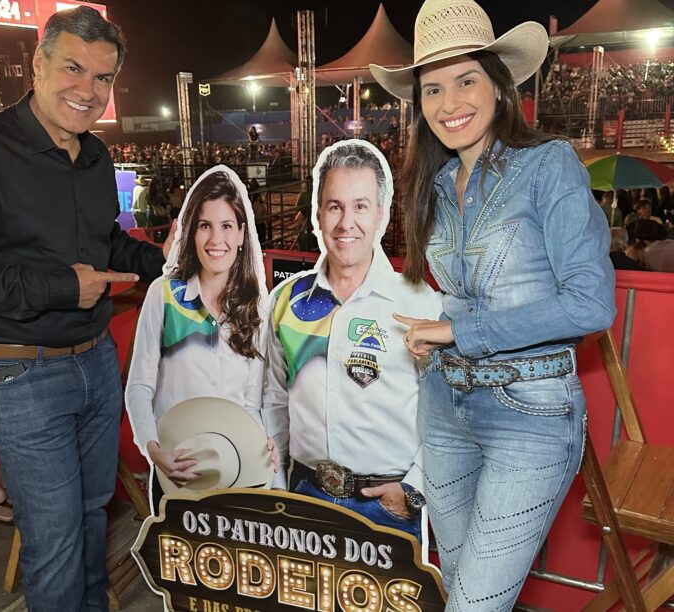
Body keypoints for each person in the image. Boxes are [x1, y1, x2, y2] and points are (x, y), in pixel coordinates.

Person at [0, 7, 170, 611]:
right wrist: (59, 288)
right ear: (38, 65)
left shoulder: (96, 156)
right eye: (73, 69)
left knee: (92, 514)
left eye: (103, 78)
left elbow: (106, 244)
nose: (88, 90)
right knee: (54, 538)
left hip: (95, 362)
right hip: (21, 373)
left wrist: (172, 259)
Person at [370, 0, 616, 608]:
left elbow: (590, 304)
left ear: (500, 86)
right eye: (432, 89)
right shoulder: (433, 184)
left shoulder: (547, 165)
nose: (448, 102)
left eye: (466, 80)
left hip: (529, 416)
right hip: (444, 406)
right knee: (458, 587)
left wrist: (459, 332)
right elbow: (469, 296)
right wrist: (436, 333)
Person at [262, 140, 442, 547]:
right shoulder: (285, 300)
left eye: (360, 206)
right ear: (318, 214)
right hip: (301, 496)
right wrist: (276, 483)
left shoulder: (419, 302)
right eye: (334, 206)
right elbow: (273, 398)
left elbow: (446, 412)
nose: (346, 223)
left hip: (386, 507)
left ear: (380, 213)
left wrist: (412, 490)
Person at [125, 166, 276, 512]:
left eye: (226, 226)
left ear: (242, 234)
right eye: (205, 226)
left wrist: (265, 442)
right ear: (191, 232)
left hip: (236, 470)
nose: (215, 240)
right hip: (174, 469)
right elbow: (139, 386)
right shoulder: (164, 295)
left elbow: (252, 401)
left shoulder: (256, 309)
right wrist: (152, 448)